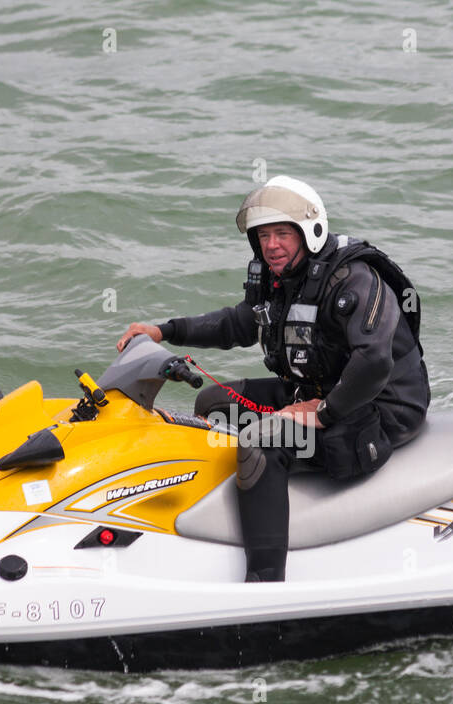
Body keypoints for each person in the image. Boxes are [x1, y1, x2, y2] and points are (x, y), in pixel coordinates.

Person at [116, 175, 430, 582]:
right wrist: (164, 330)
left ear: (309, 233)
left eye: (282, 234)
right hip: (318, 389)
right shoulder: (281, 277)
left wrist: (324, 413)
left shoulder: (354, 280)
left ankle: (264, 581)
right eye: (264, 236)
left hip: (376, 409)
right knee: (212, 404)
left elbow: (374, 362)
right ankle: (235, 509)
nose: (271, 245)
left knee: (259, 443)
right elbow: (239, 324)